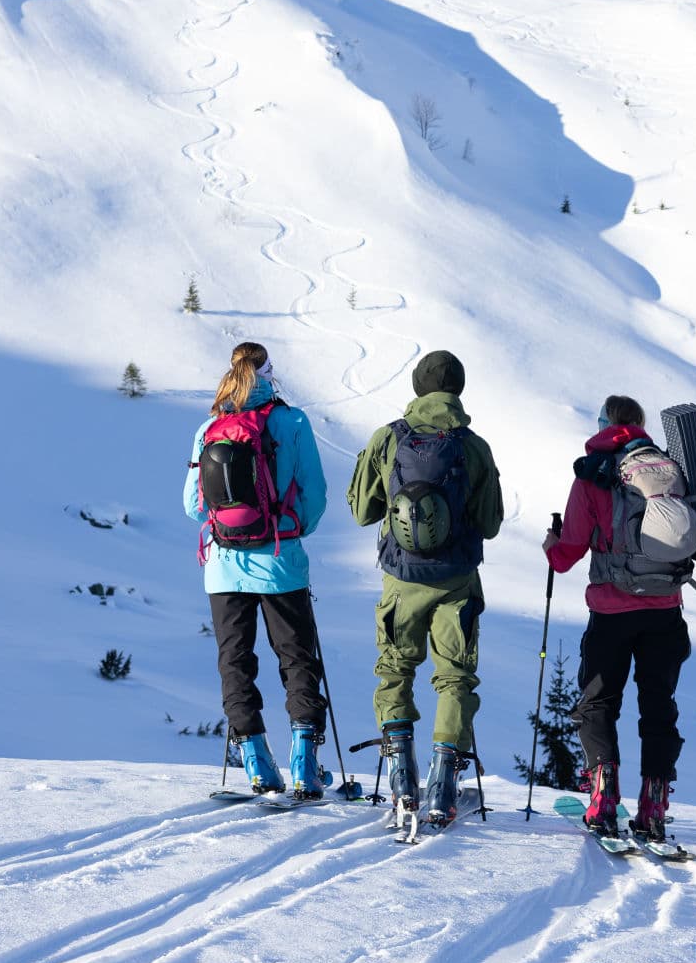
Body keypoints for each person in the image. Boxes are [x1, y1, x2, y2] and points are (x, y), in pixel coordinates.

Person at [347, 350, 504, 826]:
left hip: (401, 580)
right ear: (458, 389)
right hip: (456, 581)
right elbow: (491, 523)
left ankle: (400, 780)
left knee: (395, 668)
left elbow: (361, 512)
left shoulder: (389, 438)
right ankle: (441, 786)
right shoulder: (472, 446)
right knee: (454, 677)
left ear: (417, 388)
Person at [544, 395, 696, 844]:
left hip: (611, 610)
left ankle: (603, 796)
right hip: (666, 609)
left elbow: (567, 554)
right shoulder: (670, 468)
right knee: (658, 706)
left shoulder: (592, 474)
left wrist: (552, 545)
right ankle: (653, 806)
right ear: (641, 425)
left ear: (605, 424)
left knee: (598, 701)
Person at [182, 342, 331, 798]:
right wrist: (290, 527)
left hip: (223, 568)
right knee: (297, 657)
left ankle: (256, 762)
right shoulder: (293, 421)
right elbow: (316, 494)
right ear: (270, 373)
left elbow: (192, 505)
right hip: (281, 560)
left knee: (235, 661)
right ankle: (304, 761)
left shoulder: (210, 427)